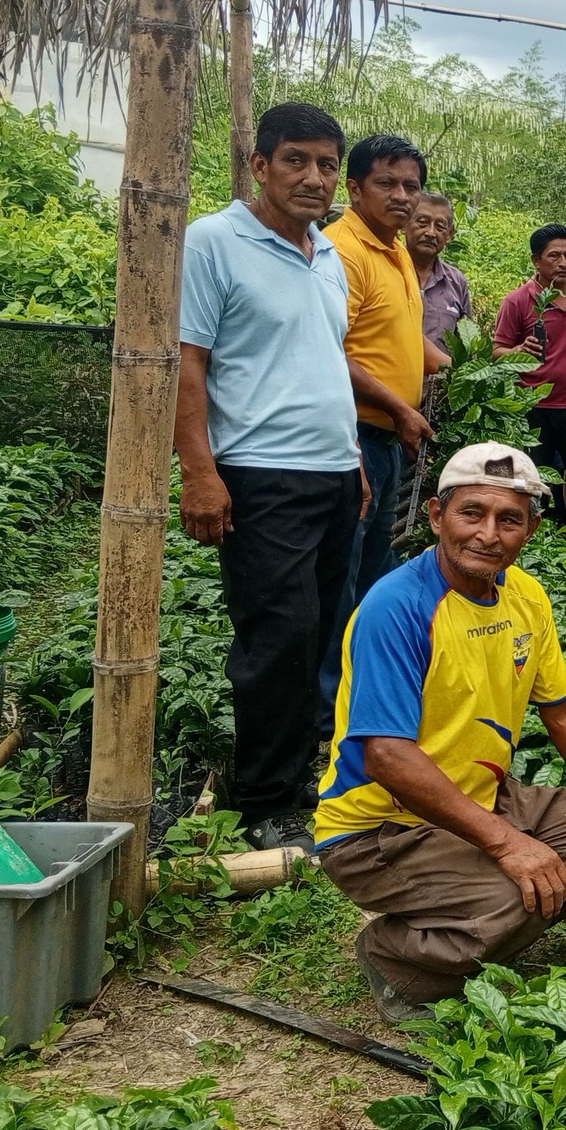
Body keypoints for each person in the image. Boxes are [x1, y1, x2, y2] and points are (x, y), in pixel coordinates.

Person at [312, 442, 566, 1024]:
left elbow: (565, 710)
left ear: (531, 530)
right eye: (472, 513)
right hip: (379, 829)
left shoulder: (525, 595)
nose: (488, 534)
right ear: (437, 516)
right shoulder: (398, 607)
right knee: (517, 894)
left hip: (481, 794)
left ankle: (474, 917)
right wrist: (509, 845)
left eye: (509, 519)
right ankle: (393, 954)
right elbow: (386, 755)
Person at [176, 102, 363, 852]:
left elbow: (324, 362)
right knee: (277, 636)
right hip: (261, 473)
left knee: (318, 632)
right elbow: (188, 362)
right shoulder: (213, 242)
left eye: (326, 165)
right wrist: (200, 471)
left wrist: (354, 461)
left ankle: (291, 772)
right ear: (260, 165)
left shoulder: (328, 254)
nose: (314, 177)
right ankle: (263, 801)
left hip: (333, 473)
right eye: (296, 160)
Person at [325, 135, 445, 659]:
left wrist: (461, 369)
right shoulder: (342, 252)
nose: (401, 195)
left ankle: (370, 672)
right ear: (355, 188)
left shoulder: (394, 248)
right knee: (343, 572)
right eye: (386, 183)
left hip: (388, 436)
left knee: (375, 567)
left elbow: (402, 331)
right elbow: (328, 348)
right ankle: (331, 693)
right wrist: (399, 407)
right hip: (352, 436)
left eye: (410, 186)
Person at [491, 225, 566, 565]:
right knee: (531, 485)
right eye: (554, 256)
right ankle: (529, 558)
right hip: (533, 408)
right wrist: (518, 350)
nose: (563, 263)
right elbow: (497, 351)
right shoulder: (518, 301)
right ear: (536, 260)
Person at [407, 191, 471, 354]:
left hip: (442, 370)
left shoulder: (457, 282)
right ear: (405, 224)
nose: (430, 233)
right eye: (422, 223)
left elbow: (467, 343)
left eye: (440, 226)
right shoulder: (386, 270)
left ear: (449, 234)